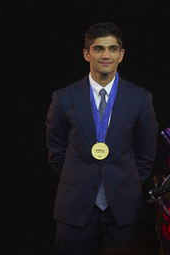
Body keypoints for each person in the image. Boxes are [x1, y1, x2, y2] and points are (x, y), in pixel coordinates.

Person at [46, 22, 158, 255]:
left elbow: (146, 152)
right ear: (87, 53)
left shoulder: (140, 98)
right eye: (98, 49)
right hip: (75, 206)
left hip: (123, 207)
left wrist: (127, 182)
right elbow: (56, 151)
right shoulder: (64, 98)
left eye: (112, 49)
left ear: (121, 54)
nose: (106, 55)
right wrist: (78, 178)